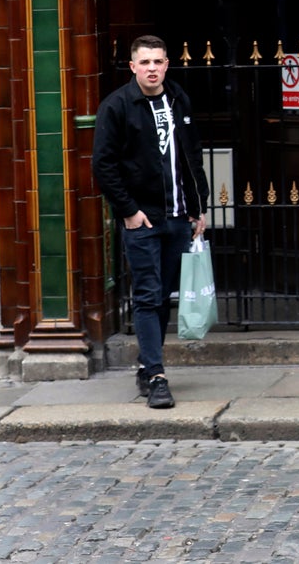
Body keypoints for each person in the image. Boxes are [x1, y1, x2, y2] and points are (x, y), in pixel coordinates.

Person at [92, 35, 209, 409]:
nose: (153, 68)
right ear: (133, 67)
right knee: (146, 294)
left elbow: (192, 157)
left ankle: (146, 363)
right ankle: (157, 376)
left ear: (167, 64)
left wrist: (198, 208)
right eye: (145, 63)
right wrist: (128, 210)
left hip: (178, 218)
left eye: (158, 61)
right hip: (142, 220)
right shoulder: (118, 106)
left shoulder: (179, 100)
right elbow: (103, 165)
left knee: (162, 297)